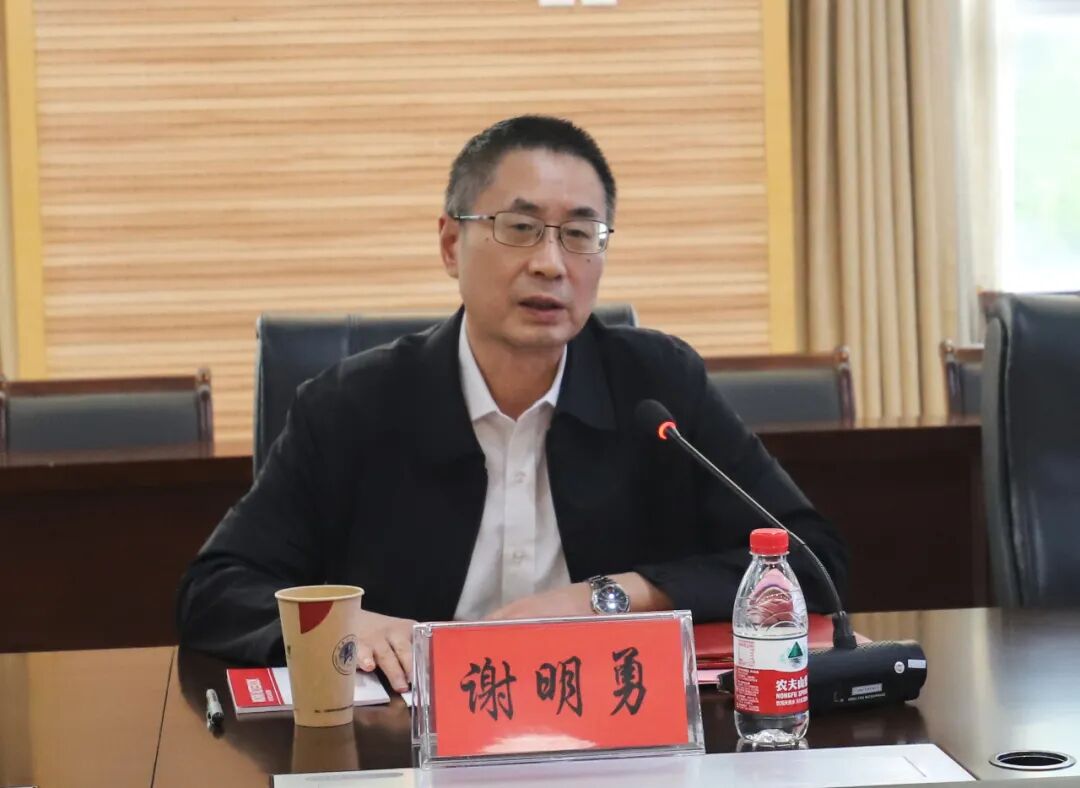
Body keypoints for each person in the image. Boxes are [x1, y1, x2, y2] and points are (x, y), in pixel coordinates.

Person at [176, 115, 848, 694]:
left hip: (610, 734)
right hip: (403, 744)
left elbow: (809, 560)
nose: (551, 263)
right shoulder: (350, 407)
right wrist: (347, 625)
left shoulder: (655, 388)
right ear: (451, 244)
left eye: (580, 234)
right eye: (520, 227)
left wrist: (613, 597)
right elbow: (216, 590)